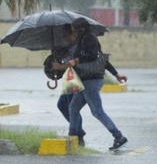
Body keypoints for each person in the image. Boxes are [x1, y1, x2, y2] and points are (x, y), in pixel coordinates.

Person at [55, 17, 128, 150]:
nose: (74, 32)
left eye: (75, 29)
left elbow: (94, 55)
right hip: (86, 80)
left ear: (80, 28)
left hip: (92, 80)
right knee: (73, 108)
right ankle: (73, 136)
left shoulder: (89, 38)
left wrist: (76, 61)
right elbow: (103, 59)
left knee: (97, 111)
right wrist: (116, 74)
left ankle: (119, 137)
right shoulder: (83, 40)